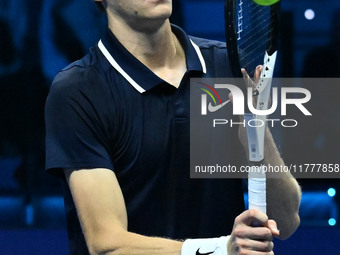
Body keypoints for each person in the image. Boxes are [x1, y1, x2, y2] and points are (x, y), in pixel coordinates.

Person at [45, 1, 301, 255]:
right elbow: (107, 244)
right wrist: (220, 249)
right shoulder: (78, 91)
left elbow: (287, 221)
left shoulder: (227, 66)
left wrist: (257, 136)